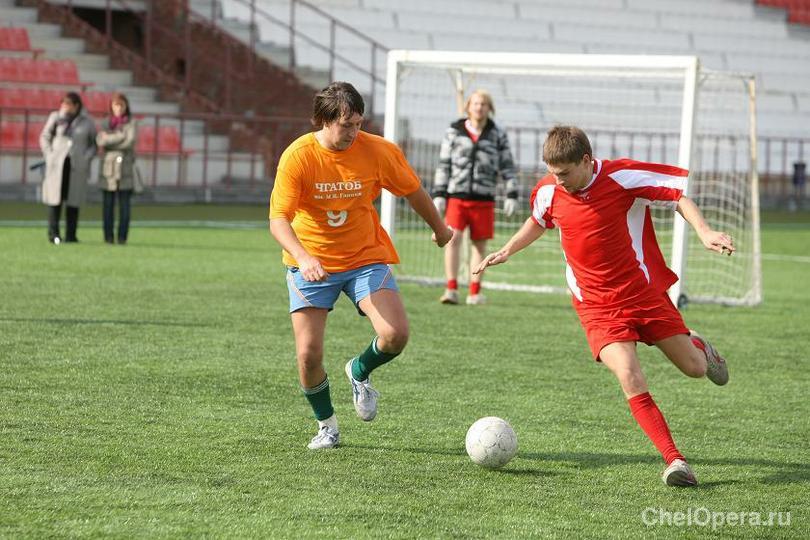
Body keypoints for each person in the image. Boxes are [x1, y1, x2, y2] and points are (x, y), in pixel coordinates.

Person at [475, 126, 734, 487]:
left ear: (586, 160)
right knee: (629, 374)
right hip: (596, 306)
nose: (558, 180)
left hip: (642, 294)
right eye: (552, 172)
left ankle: (699, 346)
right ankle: (675, 461)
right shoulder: (549, 190)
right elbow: (538, 220)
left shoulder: (621, 176)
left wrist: (705, 232)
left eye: (565, 173)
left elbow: (678, 197)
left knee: (694, 368)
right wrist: (508, 249)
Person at [269, 82, 454, 450]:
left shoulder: (379, 151)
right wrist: (304, 257)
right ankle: (327, 426)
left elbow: (413, 190)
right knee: (308, 355)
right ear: (323, 120)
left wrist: (439, 227)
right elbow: (278, 220)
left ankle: (359, 370)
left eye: (358, 124)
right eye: (345, 125)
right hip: (312, 263)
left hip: (365, 257)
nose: (353, 132)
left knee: (395, 335)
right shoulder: (298, 156)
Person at [432, 89, 519, 305]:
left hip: (484, 198)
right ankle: (451, 289)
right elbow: (444, 164)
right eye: (476, 103)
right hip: (456, 197)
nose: (479, 107)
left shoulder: (497, 134)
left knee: (479, 246)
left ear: (490, 108)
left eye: (483, 104)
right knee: (452, 239)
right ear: (468, 107)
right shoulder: (454, 131)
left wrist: (512, 194)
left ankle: (474, 291)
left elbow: (507, 166)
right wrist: (439, 194)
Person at [39, 92, 97, 244]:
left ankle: (71, 235)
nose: (65, 107)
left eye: (68, 104)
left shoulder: (87, 122)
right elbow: (45, 136)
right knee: (55, 200)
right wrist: (49, 154)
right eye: (63, 103)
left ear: (76, 106)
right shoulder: (55, 118)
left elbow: (93, 144)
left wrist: (86, 158)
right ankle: (54, 234)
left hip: (76, 166)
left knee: (73, 201)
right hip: (57, 164)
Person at [97, 92, 138, 245]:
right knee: (107, 206)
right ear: (111, 107)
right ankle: (108, 236)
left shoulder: (131, 123)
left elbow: (130, 141)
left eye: (121, 105)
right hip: (108, 169)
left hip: (125, 168)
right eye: (116, 105)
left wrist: (109, 139)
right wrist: (120, 136)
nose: (119, 109)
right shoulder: (105, 123)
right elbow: (100, 140)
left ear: (126, 107)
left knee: (124, 206)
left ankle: (122, 237)